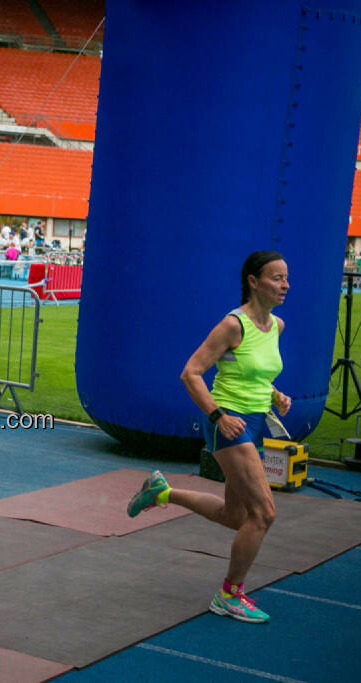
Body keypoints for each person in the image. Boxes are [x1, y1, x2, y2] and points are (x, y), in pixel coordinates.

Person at [127, 250, 292, 625]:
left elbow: (256, 376)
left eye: (286, 278)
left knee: (236, 516)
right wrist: (218, 415)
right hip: (228, 425)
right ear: (253, 281)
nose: (285, 285)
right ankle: (229, 595)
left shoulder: (277, 326)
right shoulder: (233, 325)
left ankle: (161, 492)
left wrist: (275, 395)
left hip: (255, 423)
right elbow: (191, 373)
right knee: (264, 513)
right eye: (276, 278)